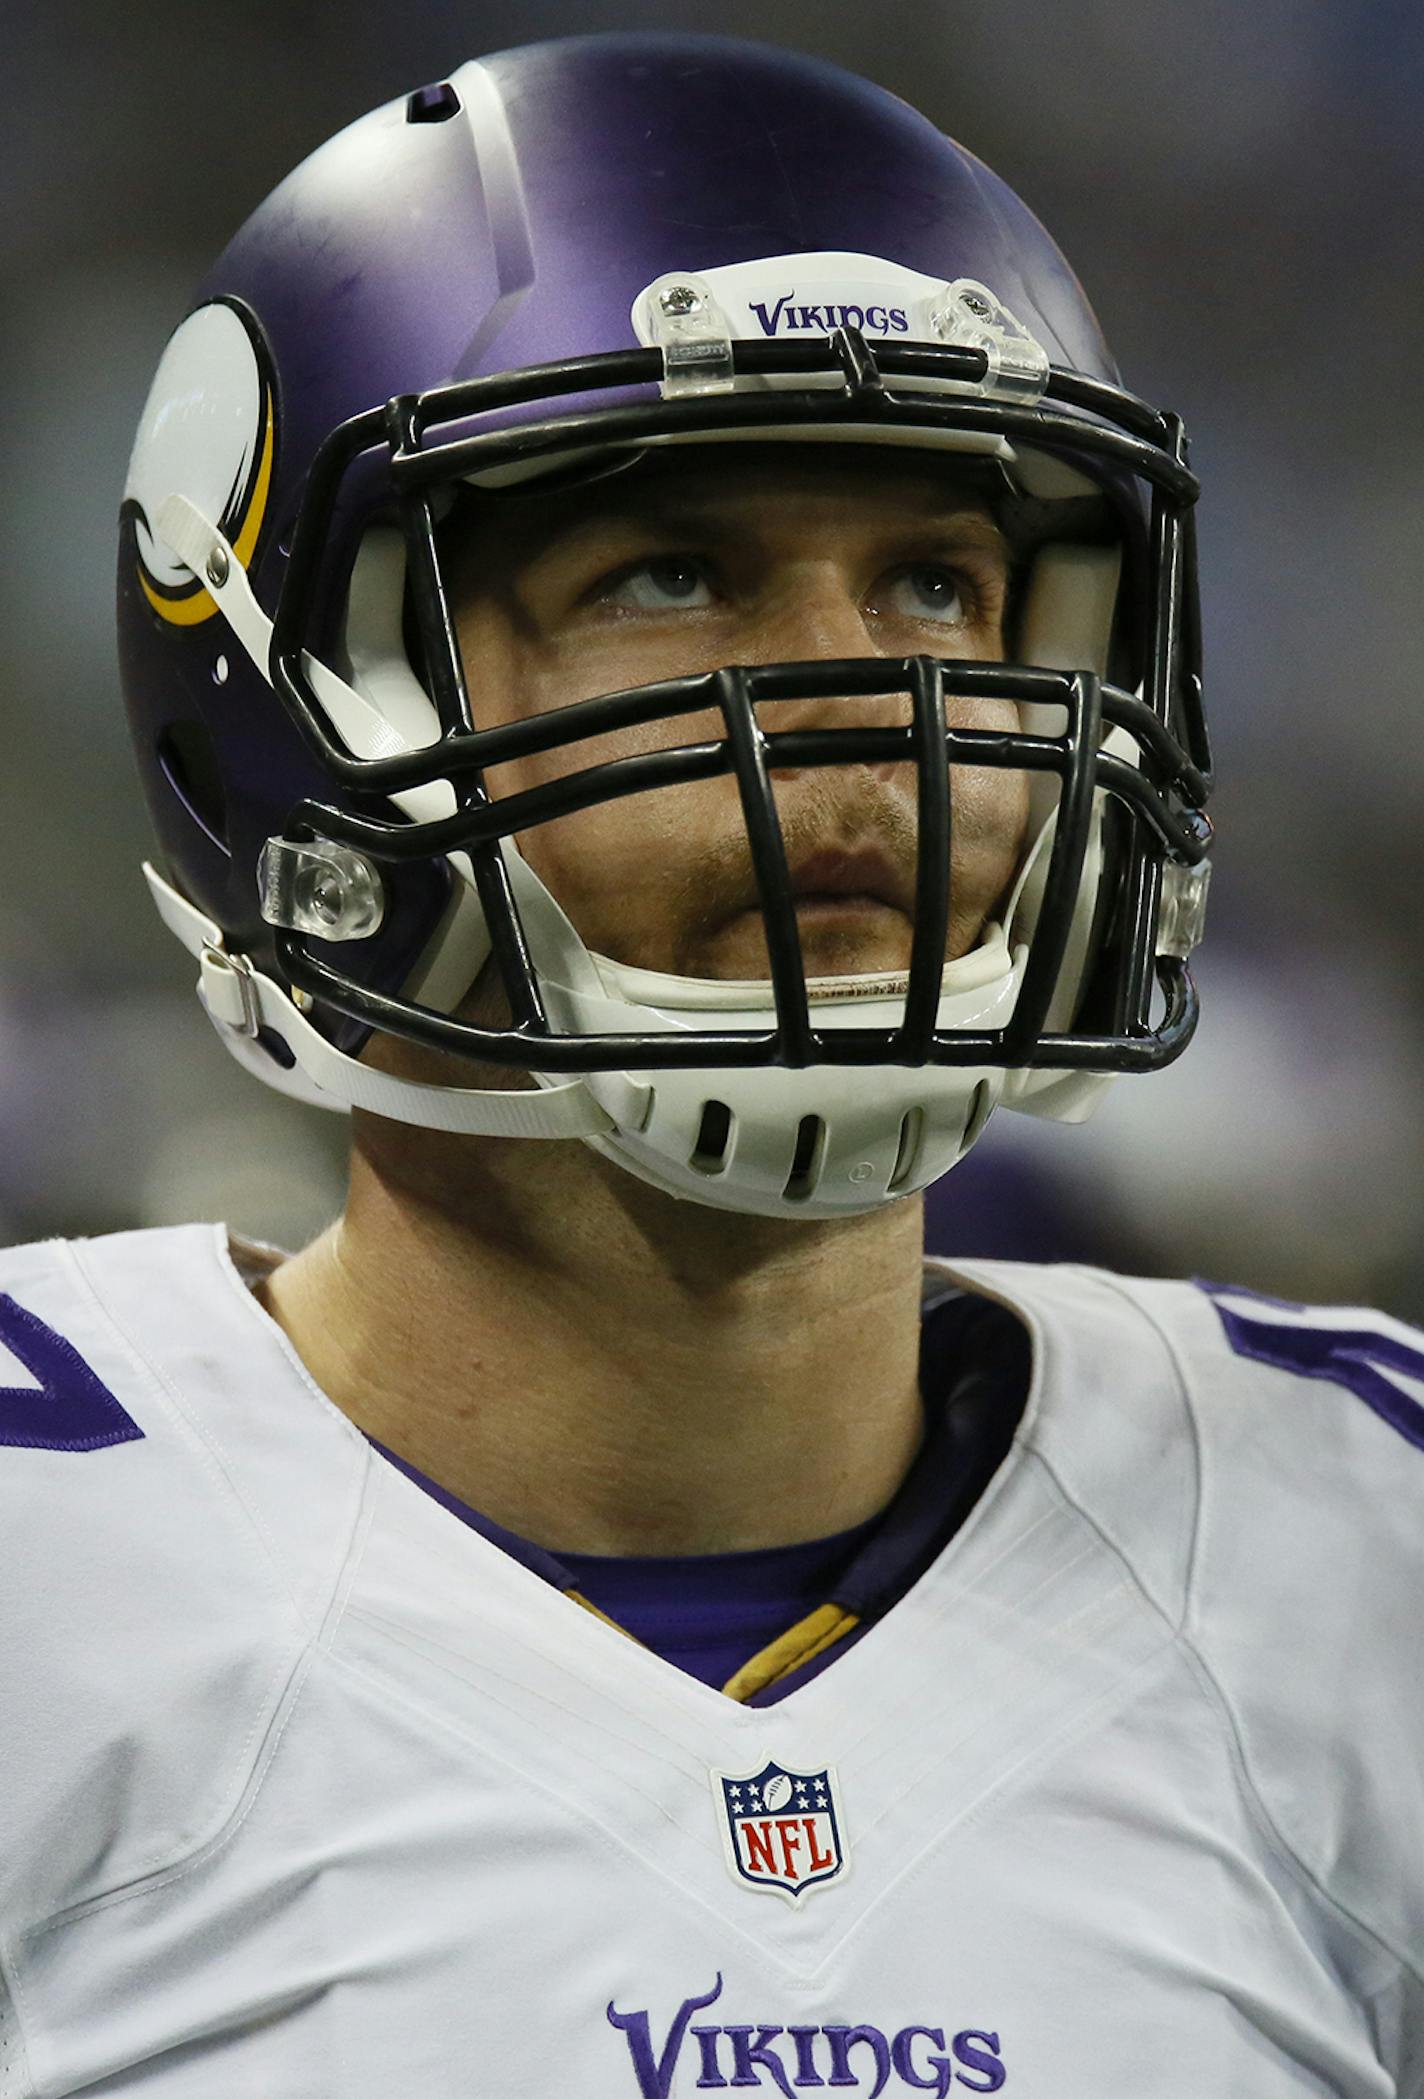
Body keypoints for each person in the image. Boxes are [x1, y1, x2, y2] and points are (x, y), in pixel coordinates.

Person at [1, 31, 1420, 2098]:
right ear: (294, 701)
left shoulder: (1360, 1547)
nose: (868, 699)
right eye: (668, 574)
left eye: (942, 580)